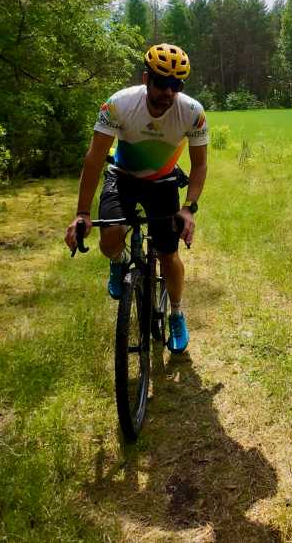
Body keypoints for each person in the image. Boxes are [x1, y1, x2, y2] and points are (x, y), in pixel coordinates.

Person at [63, 43, 208, 353]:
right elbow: (94, 158)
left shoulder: (192, 113)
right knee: (110, 238)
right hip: (123, 176)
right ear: (146, 79)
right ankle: (118, 263)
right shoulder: (118, 105)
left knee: (168, 255)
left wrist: (189, 208)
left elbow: (200, 165)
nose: (169, 92)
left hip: (164, 182)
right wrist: (82, 213)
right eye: (162, 83)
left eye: (176, 85)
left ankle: (177, 314)